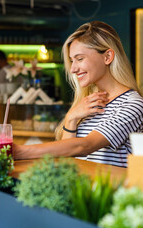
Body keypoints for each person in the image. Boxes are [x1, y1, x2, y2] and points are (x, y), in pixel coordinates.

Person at [13, 21, 143, 167]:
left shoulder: (132, 104)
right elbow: (66, 158)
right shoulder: (88, 101)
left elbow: (85, 146)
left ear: (107, 57)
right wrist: (71, 118)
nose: (73, 69)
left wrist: (19, 152)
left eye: (80, 59)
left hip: (109, 188)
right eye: (71, 61)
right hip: (80, 187)